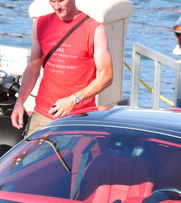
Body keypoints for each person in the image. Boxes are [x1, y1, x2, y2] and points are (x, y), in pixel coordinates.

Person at [10, 0, 113, 135]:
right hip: (43, 114)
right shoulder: (40, 24)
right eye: (52, 1)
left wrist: (73, 100)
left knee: (73, 157)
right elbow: (33, 66)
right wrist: (19, 103)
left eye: (61, 1)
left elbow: (106, 77)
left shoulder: (95, 30)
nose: (57, 7)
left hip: (78, 118)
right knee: (31, 156)